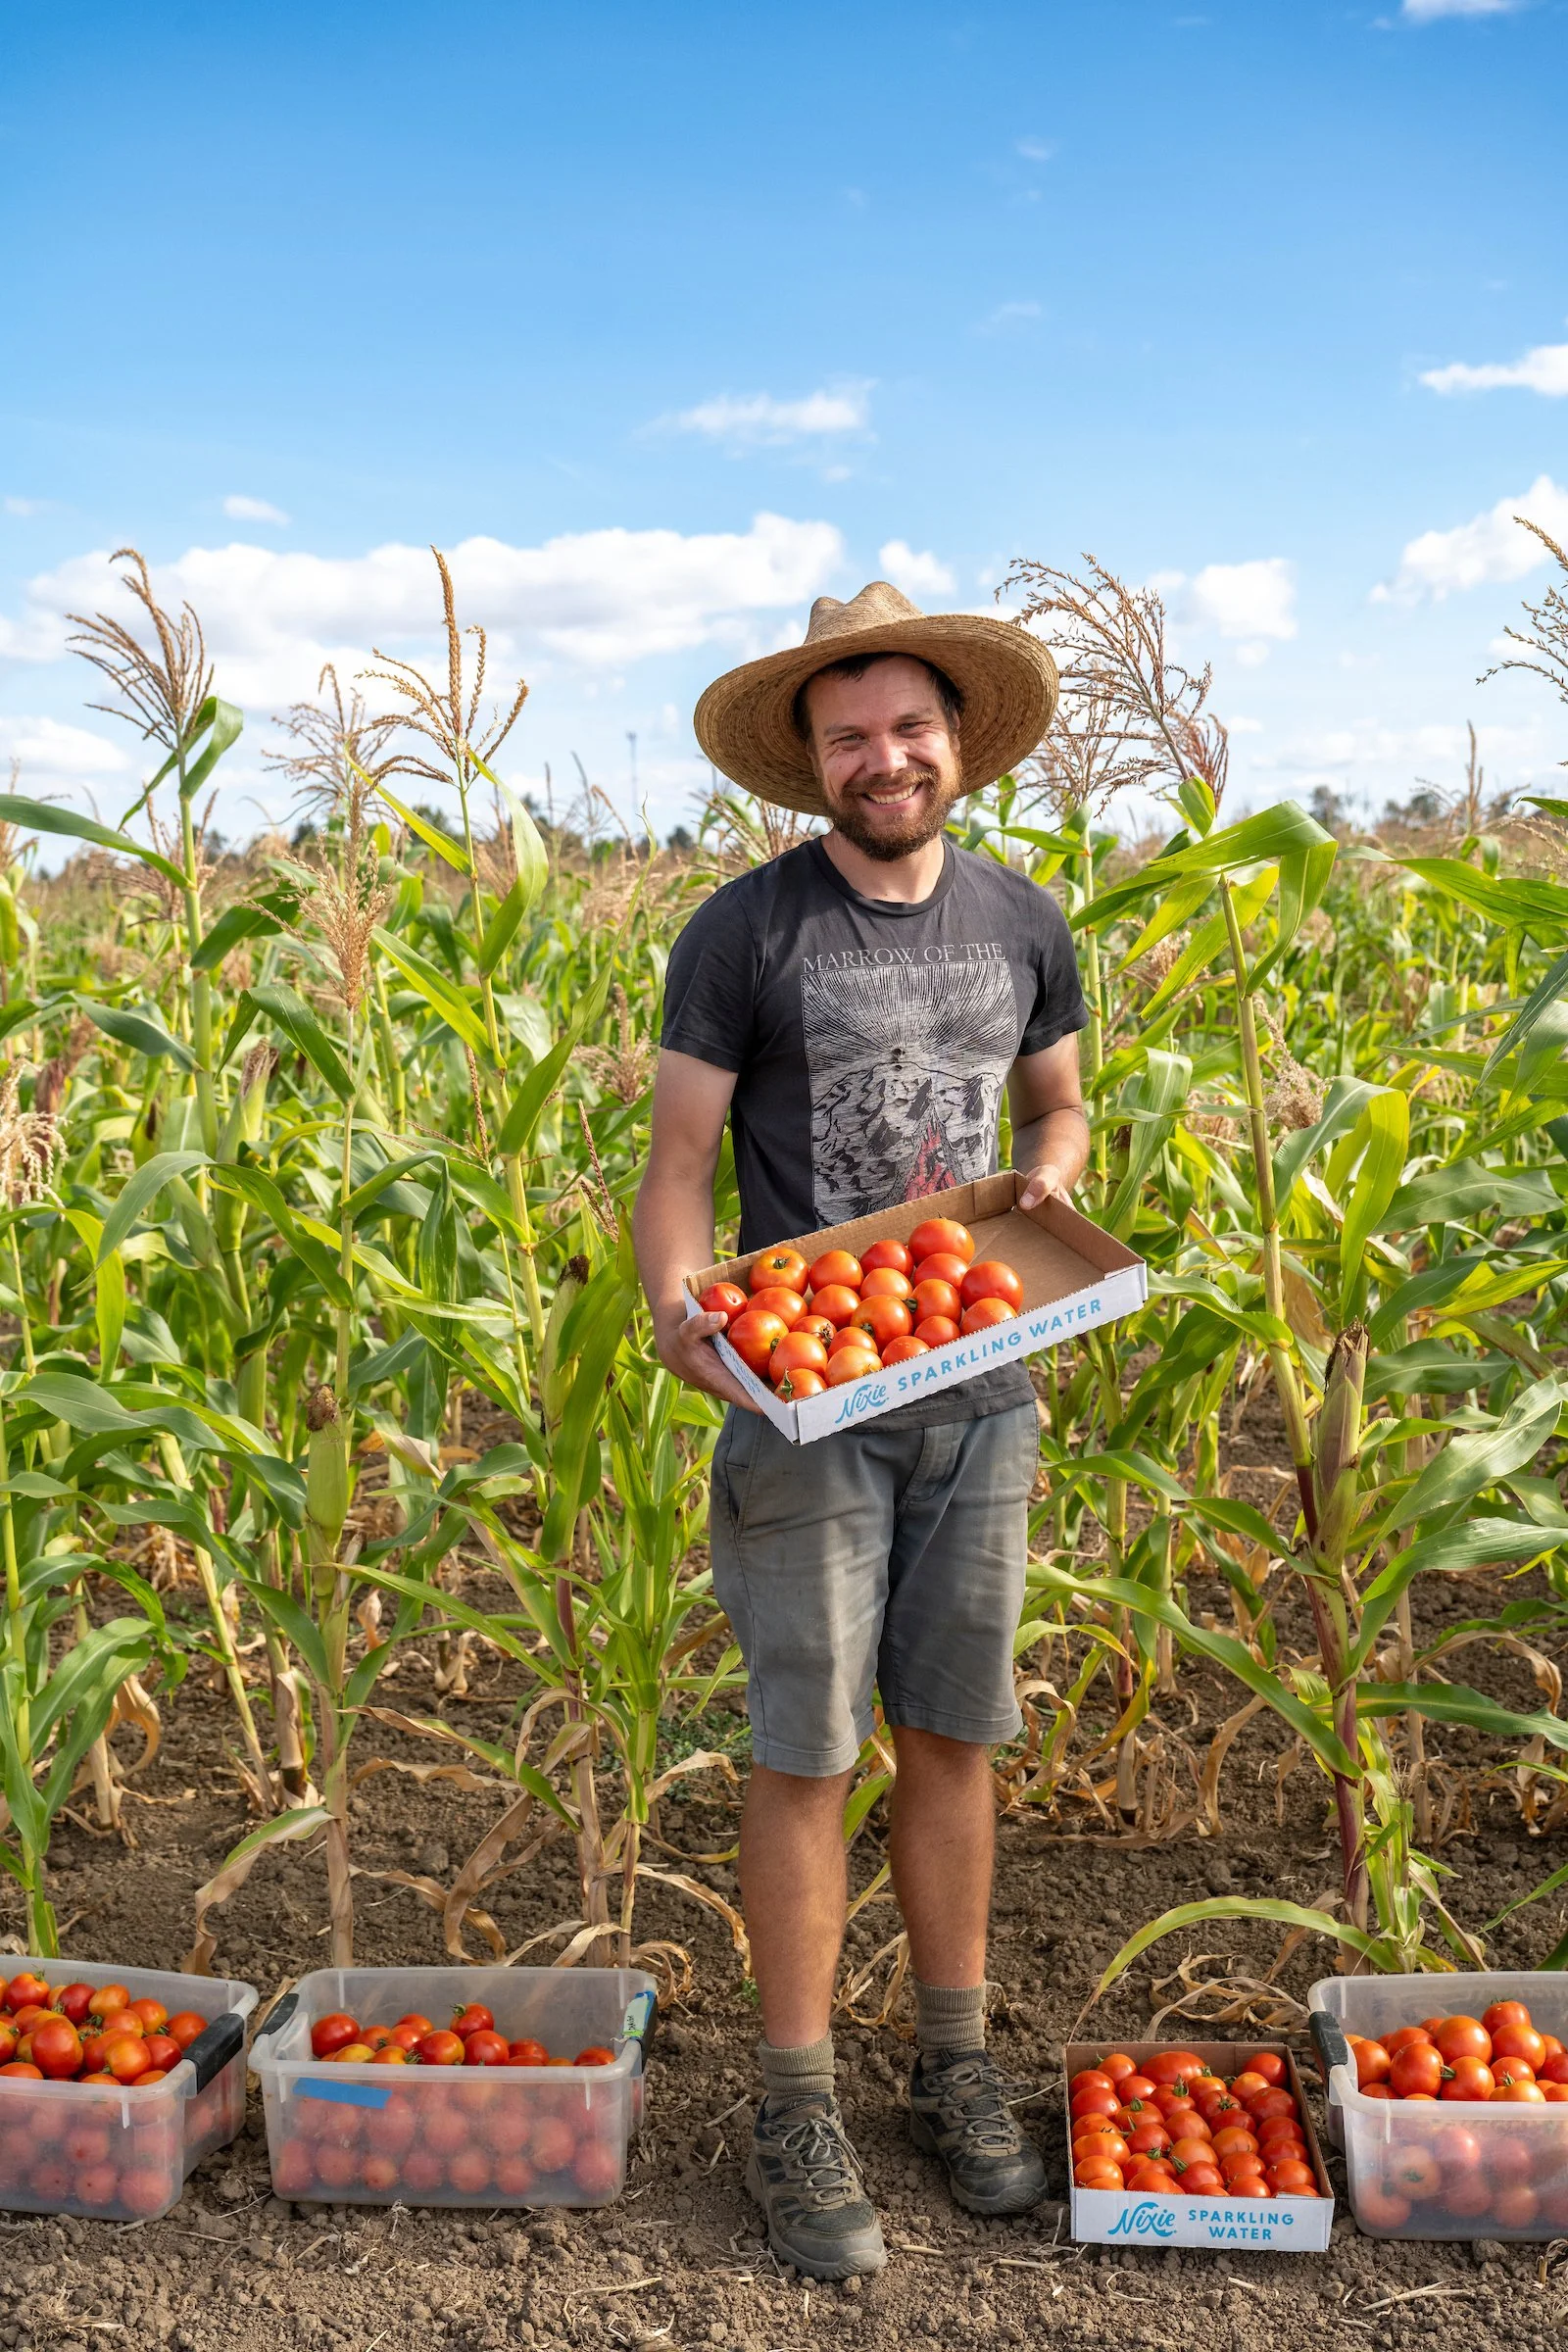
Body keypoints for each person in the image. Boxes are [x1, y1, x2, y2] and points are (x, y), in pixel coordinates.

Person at [633, 579, 1090, 2280]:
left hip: (980, 1383)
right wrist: (687, 1320)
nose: (882, 758)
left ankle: (954, 2071)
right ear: (809, 760)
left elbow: (1055, 1104)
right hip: (806, 1400)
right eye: (849, 737)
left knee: (956, 1737)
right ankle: (795, 2100)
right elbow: (679, 1172)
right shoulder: (744, 933)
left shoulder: (1025, 919)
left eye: (908, 728)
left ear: (954, 741)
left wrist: (1052, 1178)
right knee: (807, 1752)